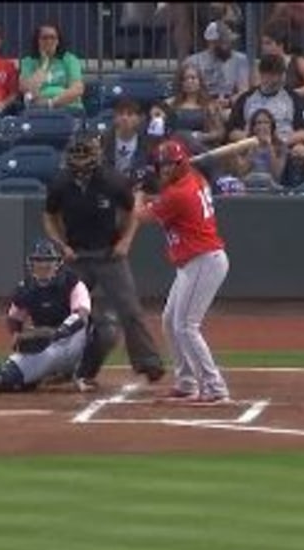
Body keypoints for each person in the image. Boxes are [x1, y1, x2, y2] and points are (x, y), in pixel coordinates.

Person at [43, 133, 165, 391]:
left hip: (108, 254)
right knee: (63, 311)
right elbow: (49, 215)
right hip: (77, 256)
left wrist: (125, 242)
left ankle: (148, 363)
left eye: (84, 155)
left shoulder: (112, 181)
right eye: (76, 155)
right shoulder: (61, 183)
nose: (79, 161)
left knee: (129, 308)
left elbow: (132, 212)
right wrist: (62, 245)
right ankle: (57, 366)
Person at [133, 139, 231, 405]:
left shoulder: (179, 194)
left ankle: (214, 387)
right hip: (194, 262)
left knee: (187, 326)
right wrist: (155, 186)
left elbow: (141, 216)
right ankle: (186, 383)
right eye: (163, 165)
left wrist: (140, 192)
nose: (166, 169)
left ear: (181, 163)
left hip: (203, 260)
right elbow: (164, 195)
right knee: (170, 321)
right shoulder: (193, 178)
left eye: (171, 165)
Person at [0, 238, 112, 393]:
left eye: (48, 261)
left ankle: (84, 375)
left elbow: (81, 316)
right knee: (1, 378)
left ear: (57, 264)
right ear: (31, 264)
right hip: (45, 345)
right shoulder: (25, 289)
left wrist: (57, 332)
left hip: (74, 342)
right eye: (38, 261)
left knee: (107, 327)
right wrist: (17, 336)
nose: (43, 266)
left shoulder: (73, 283)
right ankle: (45, 375)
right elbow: (14, 318)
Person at [228, 53, 304, 183]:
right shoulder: (246, 98)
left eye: (281, 74)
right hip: (252, 145)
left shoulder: (294, 98)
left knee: (300, 151)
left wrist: (278, 141)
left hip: (283, 145)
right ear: (263, 75)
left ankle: (293, 190)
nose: (278, 79)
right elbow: (232, 132)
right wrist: (254, 140)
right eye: (273, 74)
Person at [19, 23, 85, 113]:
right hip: (38, 110)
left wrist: (50, 103)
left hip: (68, 107)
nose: (49, 41)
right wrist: (44, 64)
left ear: (58, 41)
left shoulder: (69, 59)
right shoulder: (28, 62)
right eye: (44, 38)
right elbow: (27, 89)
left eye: (53, 37)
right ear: (37, 41)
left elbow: (77, 89)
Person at [186, 20, 252, 108]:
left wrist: (229, 101)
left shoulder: (240, 59)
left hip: (232, 105)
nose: (226, 45)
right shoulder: (194, 61)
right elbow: (189, 91)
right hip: (202, 105)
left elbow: (243, 90)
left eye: (228, 41)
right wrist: (208, 103)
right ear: (210, 42)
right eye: (222, 42)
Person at [101, 97, 162, 189]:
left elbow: (149, 170)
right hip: (109, 186)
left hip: (137, 186)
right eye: (121, 114)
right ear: (115, 118)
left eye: (130, 114)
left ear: (139, 119)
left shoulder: (147, 142)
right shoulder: (104, 140)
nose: (124, 118)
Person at [162, 61, 226, 150]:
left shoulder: (209, 106)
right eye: (185, 79)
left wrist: (202, 136)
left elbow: (220, 133)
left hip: (199, 147)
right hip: (175, 147)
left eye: (193, 78)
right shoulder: (171, 104)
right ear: (181, 83)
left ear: (200, 81)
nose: (189, 81)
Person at [231, 108, 288, 184]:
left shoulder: (280, 146)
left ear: (271, 126)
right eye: (259, 123)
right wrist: (252, 147)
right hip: (248, 185)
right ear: (253, 127)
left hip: (271, 186)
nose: (262, 126)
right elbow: (241, 172)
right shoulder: (243, 146)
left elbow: (276, 174)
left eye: (266, 122)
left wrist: (269, 146)